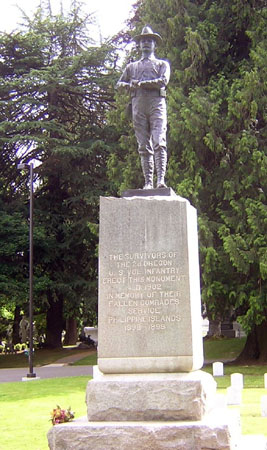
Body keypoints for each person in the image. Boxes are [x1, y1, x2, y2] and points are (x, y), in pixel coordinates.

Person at [116, 25, 170, 189]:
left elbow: (163, 81)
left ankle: (160, 180)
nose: (146, 43)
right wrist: (129, 85)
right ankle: (148, 182)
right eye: (143, 41)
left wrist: (141, 84)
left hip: (156, 104)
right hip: (138, 105)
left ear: (154, 44)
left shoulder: (162, 64)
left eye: (149, 40)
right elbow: (118, 84)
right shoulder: (131, 67)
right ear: (139, 45)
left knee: (159, 141)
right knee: (143, 145)